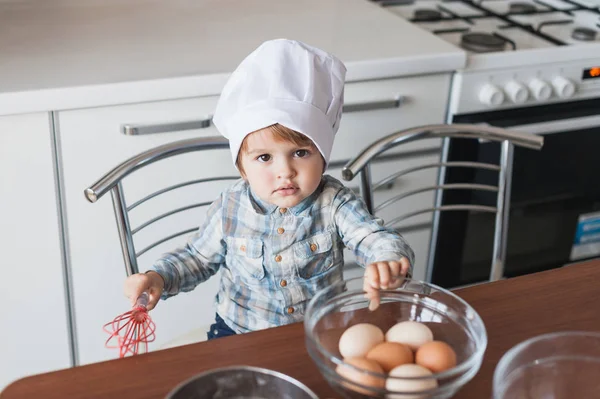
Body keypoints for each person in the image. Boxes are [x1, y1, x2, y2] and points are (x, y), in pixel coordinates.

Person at [123, 39, 415, 340]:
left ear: (323, 156)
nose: (285, 171)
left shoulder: (335, 203)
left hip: (320, 328)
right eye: (264, 157)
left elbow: (374, 238)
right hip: (238, 331)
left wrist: (387, 261)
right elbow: (197, 258)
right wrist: (158, 277)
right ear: (242, 168)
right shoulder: (230, 206)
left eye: (301, 153)